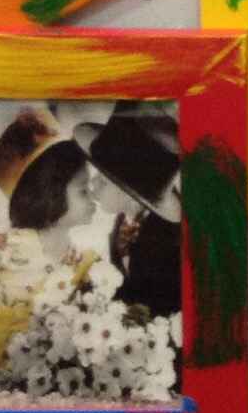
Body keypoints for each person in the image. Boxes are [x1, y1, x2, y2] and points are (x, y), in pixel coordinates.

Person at [0, 110, 101, 369]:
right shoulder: (13, 245)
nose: (93, 197)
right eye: (83, 191)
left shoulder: (80, 260)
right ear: (49, 194)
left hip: (40, 370)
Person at [75, 104, 182, 322]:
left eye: (103, 180)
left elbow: (154, 310)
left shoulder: (166, 242)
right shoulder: (125, 219)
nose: (92, 185)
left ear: (132, 192)